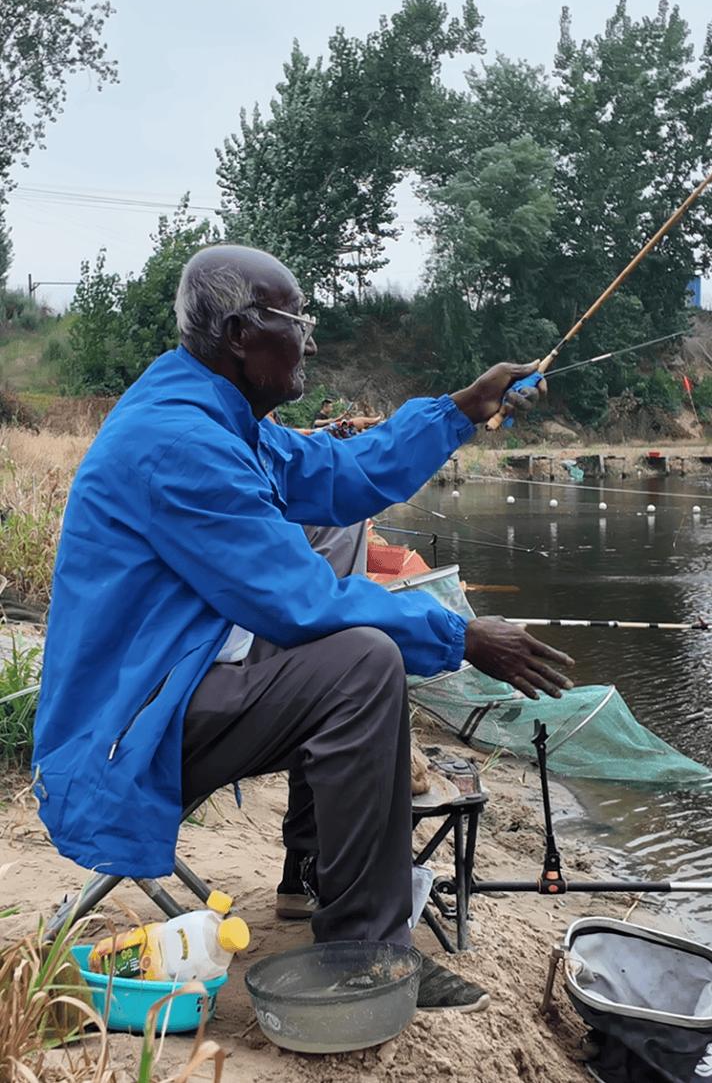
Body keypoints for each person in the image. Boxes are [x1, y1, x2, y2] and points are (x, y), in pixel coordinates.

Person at [32, 245, 574, 1012]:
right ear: (240, 336)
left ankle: (314, 880)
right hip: (122, 730)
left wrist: (459, 409)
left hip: (169, 681)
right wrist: (461, 635)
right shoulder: (179, 442)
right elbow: (300, 601)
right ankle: (363, 951)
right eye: (296, 321)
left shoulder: (220, 414)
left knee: (349, 597)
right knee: (359, 662)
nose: (310, 340)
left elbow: (341, 474)